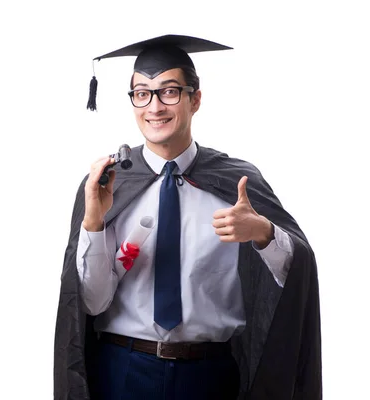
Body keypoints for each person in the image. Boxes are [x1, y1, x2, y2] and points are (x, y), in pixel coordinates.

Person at [54, 34, 322, 400]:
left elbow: (297, 274)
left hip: (209, 376)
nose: (155, 107)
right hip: (122, 371)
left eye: (169, 91)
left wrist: (262, 232)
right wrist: (94, 225)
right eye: (142, 93)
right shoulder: (107, 184)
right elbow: (92, 302)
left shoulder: (237, 180)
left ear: (195, 99)